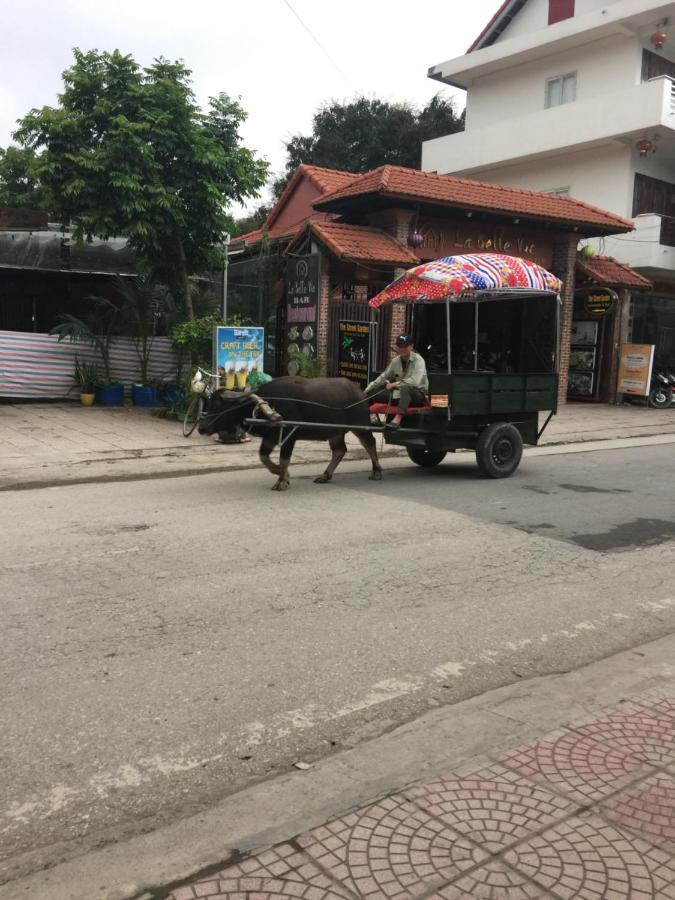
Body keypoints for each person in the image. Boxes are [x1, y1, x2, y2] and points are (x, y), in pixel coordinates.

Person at [364, 334, 429, 428]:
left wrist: (394, 384)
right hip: (400, 394)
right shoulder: (395, 361)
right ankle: (372, 418)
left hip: (417, 395)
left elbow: (415, 381)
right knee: (372, 393)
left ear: (411, 346)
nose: (402, 349)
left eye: (405, 346)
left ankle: (397, 420)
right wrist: (368, 388)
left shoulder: (419, 360)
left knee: (406, 389)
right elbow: (383, 376)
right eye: (399, 346)